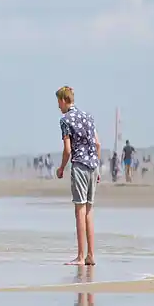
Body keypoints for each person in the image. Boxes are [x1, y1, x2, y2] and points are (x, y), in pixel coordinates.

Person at [54, 86, 101, 267]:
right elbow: (97, 143)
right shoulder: (88, 117)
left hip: (80, 165)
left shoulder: (65, 120)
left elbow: (67, 150)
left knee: (79, 211)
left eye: (59, 102)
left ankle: (80, 257)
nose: (58, 106)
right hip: (93, 165)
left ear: (64, 100)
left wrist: (61, 168)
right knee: (89, 211)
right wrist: (96, 165)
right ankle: (91, 255)